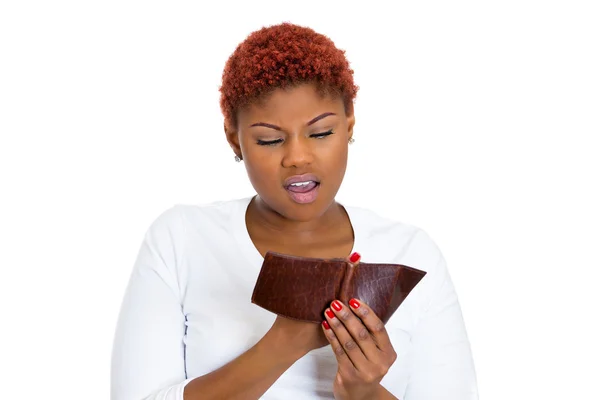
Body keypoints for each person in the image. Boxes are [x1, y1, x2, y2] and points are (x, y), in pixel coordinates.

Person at [110, 22, 478, 400]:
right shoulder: (180, 239)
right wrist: (283, 343)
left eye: (320, 133)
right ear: (233, 138)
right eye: (269, 139)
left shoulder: (412, 253)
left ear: (349, 121)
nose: (298, 157)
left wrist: (364, 393)